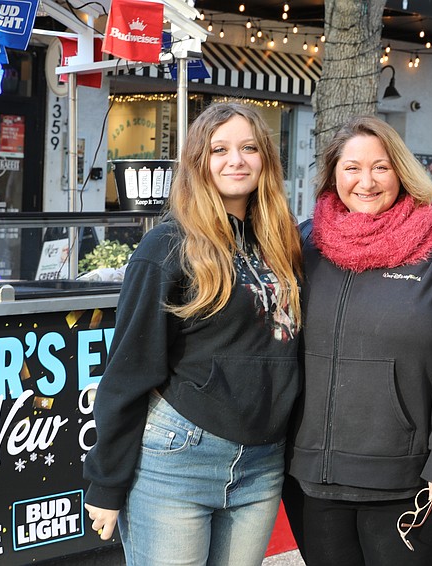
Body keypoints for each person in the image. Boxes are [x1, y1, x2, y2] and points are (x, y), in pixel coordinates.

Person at [83, 102, 303, 566]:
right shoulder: (167, 244)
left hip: (261, 463)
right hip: (178, 458)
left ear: (266, 157)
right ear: (198, 162)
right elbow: (129, 368)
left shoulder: (281, 242)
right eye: (219, 149)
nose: (235, 160)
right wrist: (106, 482)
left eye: (247, 148)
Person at [283, 116, 432, 566]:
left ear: (401, 172)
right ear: (332, 175)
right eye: (352, 168)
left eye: (380, 168)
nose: (366, 182)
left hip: (409, 482)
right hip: (311, 478)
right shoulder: (305, 244)